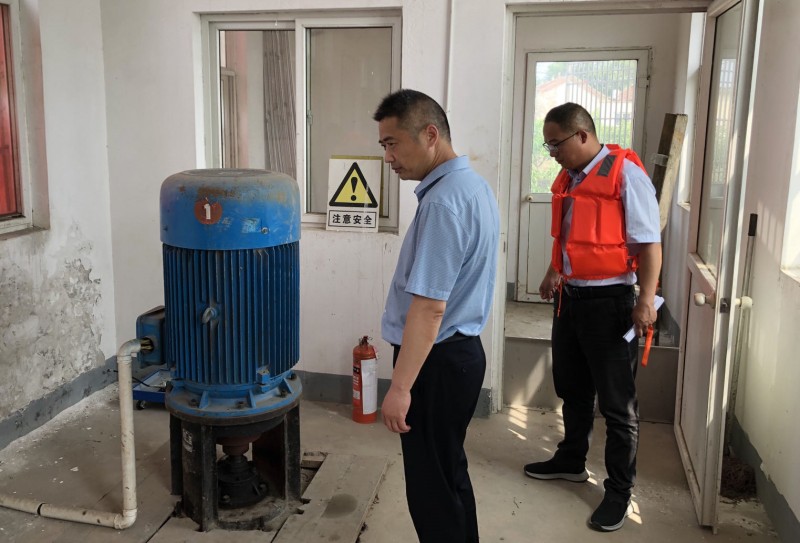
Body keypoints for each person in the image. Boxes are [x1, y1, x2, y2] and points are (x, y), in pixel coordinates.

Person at [524, 102, 662, 532]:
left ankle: (619, 491)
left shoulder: (626, 175)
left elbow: (650, 244)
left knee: (618, 405)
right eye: (547, 146)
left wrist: (646, 300)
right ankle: (571, 460)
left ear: (582, 135)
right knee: (573, 387)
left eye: (556, 144)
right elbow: (570, 236)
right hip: (570, 297)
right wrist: (554, 271)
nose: (552, 154)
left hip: (611, 302)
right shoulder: (571, 178)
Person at [374, 89, 499, 543]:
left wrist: (399, 388)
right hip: (458, 355)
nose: (388, 157)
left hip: (436, 361)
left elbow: (429, 308)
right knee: (448, 476)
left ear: (430, 135)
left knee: (431, 489)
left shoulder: (444, 203)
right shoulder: (472, 187)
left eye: (393, 143)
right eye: (383, 145)